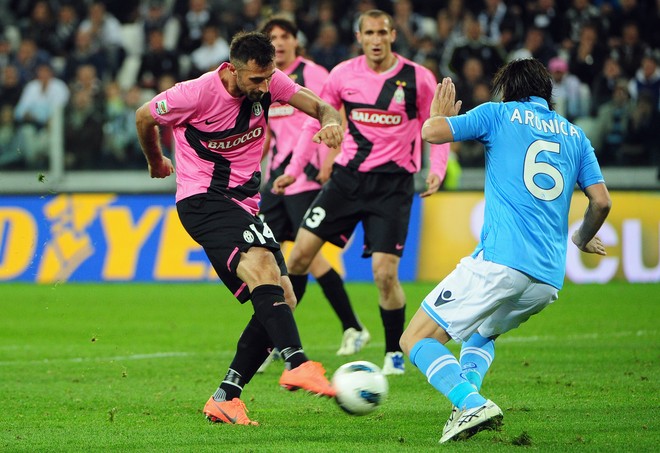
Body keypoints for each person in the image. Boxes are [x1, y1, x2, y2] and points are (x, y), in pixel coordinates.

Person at [135, 30, 344, 426]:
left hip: (244, 202)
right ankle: (296, 361)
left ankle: (226, 396)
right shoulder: (194, 93)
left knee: (283, 295)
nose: (264, 88)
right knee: (263, 267)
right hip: (202, 198)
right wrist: (156, 160)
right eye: (255, 80)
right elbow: (144, 115)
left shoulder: (270, 82)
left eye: (268, 79)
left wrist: (332, 122)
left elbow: (320, 106)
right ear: (232, 70)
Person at [398, 58, 612, 443]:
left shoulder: (499, 114)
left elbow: (432, 132)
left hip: (500, 260)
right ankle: (464, 403)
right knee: (481, 333)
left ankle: (469, 402)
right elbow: (601, 202)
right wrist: (579, 238)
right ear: (547, 93)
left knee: (415, 339)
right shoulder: (575, 135)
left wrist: (438, 113)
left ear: (507, 91)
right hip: (547, 279)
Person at [273, 10, 450, 375]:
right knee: (298, 258)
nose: (375, 39)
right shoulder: (342, 75)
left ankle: (393, 353)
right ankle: (278, 343)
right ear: (359, 36)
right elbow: (315, 122)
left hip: (392, 185)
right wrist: (293, 170)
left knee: (385, 274)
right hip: (347, 180)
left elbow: (437, 126)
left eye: (381, 32)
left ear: (393, 35)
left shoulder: (418, 78)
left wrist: (438, 169)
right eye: (368, 32)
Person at [259, 17, 369, 359]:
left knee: (305, 260)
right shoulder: (264, 78)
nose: (278, 43)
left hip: (307, 178)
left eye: (283, 37)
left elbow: (335, 116)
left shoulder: (314, 74)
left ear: (296, 41)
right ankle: (286, 335)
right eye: (271, 38)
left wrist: (328, 161)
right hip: (277, 178)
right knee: (269, 257)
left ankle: (279, 338)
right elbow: (267, 130)